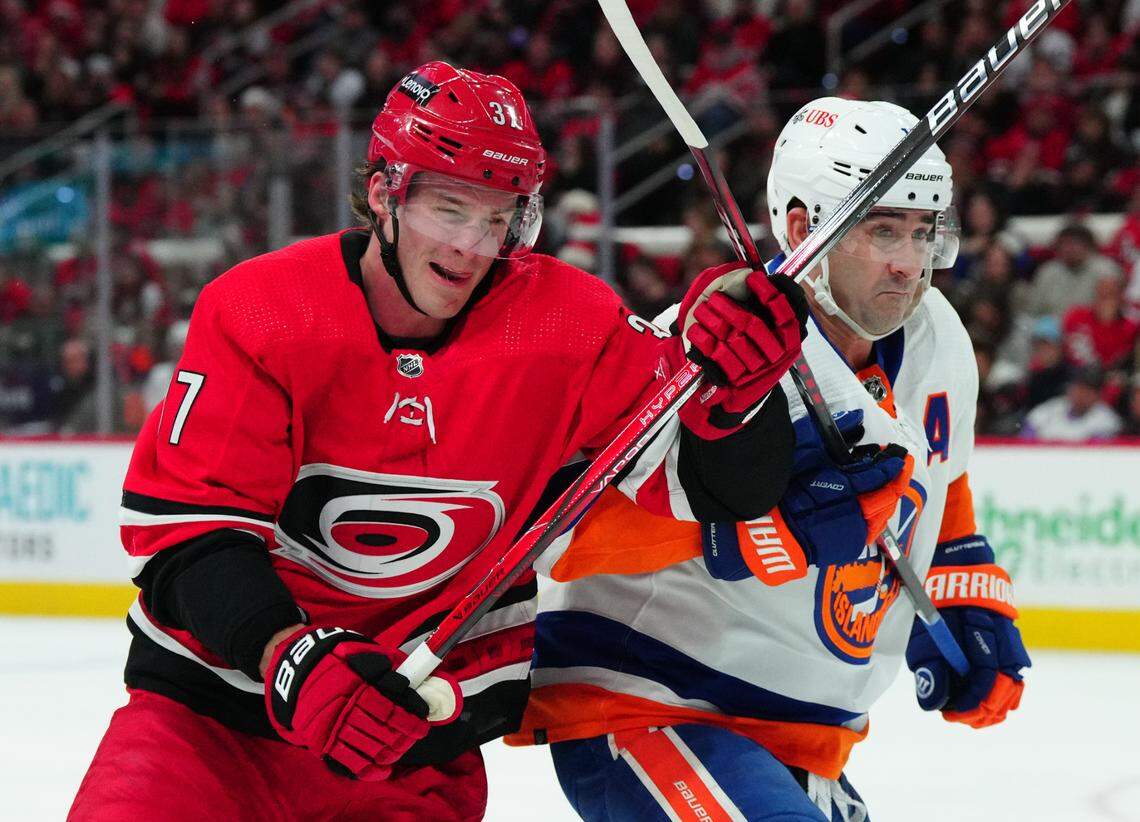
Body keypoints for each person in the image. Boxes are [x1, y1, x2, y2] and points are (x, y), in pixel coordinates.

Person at [69, 62, 810, 821]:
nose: (471, 246)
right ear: (384, 193)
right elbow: (191, 540)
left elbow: (724, 490)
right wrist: (291, 655)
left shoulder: (566, 324)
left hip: (410, 748)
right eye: (450, 209)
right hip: (209, 727)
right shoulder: (263, 312)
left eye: (499, 219)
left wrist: (735, 388)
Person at [510, 98, 1031, 820]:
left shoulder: (938, 336)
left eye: (923, 231)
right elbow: (564, 541)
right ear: (801, 227)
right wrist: (762, 532)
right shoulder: (712, 351)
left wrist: (961, 585)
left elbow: (944, 482)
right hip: (654, 703)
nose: (909, 263)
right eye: (883, 229)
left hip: (803, 735)